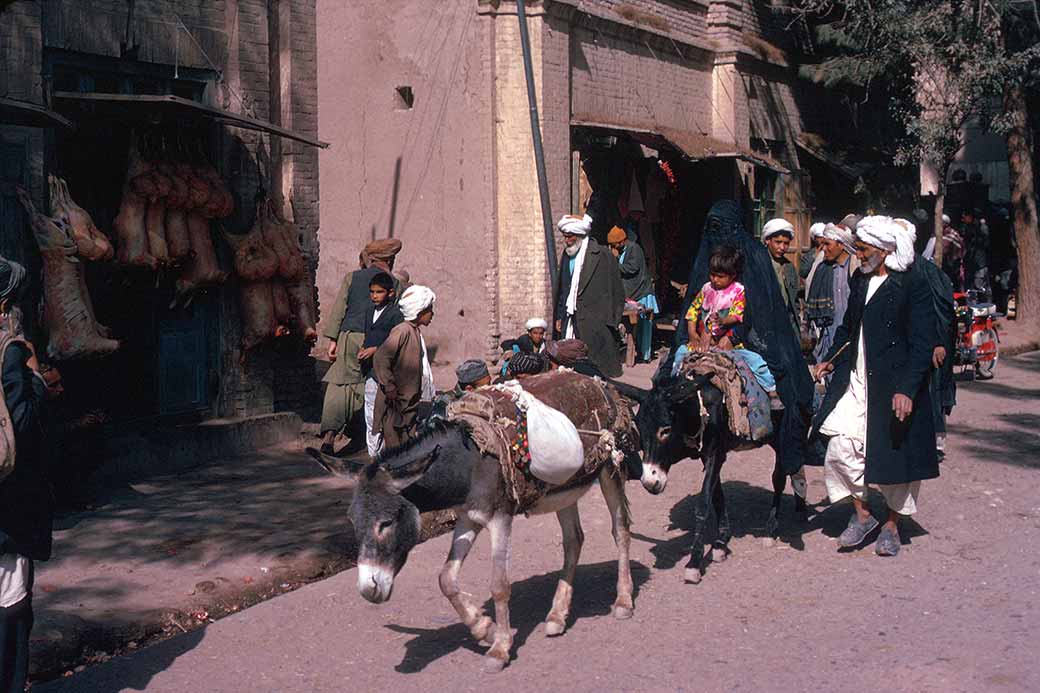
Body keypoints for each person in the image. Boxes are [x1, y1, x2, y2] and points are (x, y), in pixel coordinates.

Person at [813, 216, 939, 557]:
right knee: (840, 446)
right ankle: (863, 514)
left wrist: (907, 389)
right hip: (856, 379)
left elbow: (923, 340)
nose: (860, 254)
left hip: (895, 385)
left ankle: (892, 526)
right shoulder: (859, 279)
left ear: (884, 250)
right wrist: (829, 358)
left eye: (865, 249)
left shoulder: (912, 283)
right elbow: (849, 327)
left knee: (897, 460)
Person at [673, 200, 814, 482]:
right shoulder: (708, 260)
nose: (718, 234)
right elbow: (694, 306)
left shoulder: (756, 257)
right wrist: (694, 333)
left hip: (751, 338)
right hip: (705, 337)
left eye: (722, 228)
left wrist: (732, 336)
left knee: (782, 378)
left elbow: (759, 311)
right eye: (713, 228)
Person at [1, 258, 52, 693]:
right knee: (11, 619)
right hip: (7, 519)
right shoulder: (10, 357)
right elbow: (26, 428)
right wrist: (35, 375)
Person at [320, 238, 403, 453]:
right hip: (377, 342)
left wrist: (332, 340)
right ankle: (369, 439)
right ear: (390, 260)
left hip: (349, 337)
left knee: (339, 385)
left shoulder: (352, 277)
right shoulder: (395, 284)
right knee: (369, 386)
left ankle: (329, 437)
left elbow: (339, 308)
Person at [679, 246, 780, 405]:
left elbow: (737, 316)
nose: (715, 280)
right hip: (703, 343)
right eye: (712, 274)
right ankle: (674, 385)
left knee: (755, 360)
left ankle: (771, 390)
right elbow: (693, 310)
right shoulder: (706, 289)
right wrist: (693, 334)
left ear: (733, 275)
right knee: (680, 353)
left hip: (728, 343)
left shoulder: (738, 291)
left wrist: (723, 321)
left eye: (720, 276)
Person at [894, 218, 957, 459]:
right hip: (904, 344)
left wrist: (938, 342)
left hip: (928, 344)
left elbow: (941, 310)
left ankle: (935, 443)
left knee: (931, 390)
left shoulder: (925, 270)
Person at [553, 214, 625, 378]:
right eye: (565, 237)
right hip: (570, 321)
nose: (567, 241)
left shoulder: (602, 255)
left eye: (570, 236)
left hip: (596, 324)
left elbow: (617, 291)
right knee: (571, 369)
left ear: (580, 235)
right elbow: (564, 288)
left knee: (598, 373)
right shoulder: (567, 255)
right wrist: (559, 316)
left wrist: (611, 321)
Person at [372, 285, 436, 450]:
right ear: (419, 311)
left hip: (407, 404)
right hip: (395, 404)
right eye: (430, 310)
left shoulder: (413, 331)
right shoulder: (403, 331)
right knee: (396, 454)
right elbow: (381, 357)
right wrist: (389, 385)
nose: (432, 314)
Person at [358, 272, 404, 458]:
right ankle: (373, 455)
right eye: (372, 292)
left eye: (379, 292)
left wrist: (376, 350)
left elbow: (395, 343)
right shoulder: (369, 312)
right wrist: (363, 348)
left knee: (389, 413)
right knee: (370, 413)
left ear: (391, 293)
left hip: (388, 372)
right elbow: (369, 335)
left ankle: (391, 453)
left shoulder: (396, 315)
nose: (375, 295)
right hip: (371, 370)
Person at [807, 223, 860, 365]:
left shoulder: (856, 267)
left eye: (827, 244)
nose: (823, 248)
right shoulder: (823, 268)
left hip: (852, 333)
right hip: (829, 333)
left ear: (841, 245)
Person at [608, 225, 658, 363]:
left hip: (641, 292)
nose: (614, 248)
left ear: (622, 241)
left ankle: (645, 355)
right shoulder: (621, 250)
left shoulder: (634, 249)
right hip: (630, 293)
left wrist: (615, 261)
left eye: (615, 245)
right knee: (633, 326)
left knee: (645, 325)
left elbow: (631, 268)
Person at [761, 218, 800, 337]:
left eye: (786, 243)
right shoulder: (759, 264)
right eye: (778, 242)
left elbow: (794, 301)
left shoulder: (789, 267)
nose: (782, 247)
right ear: (767, 240)